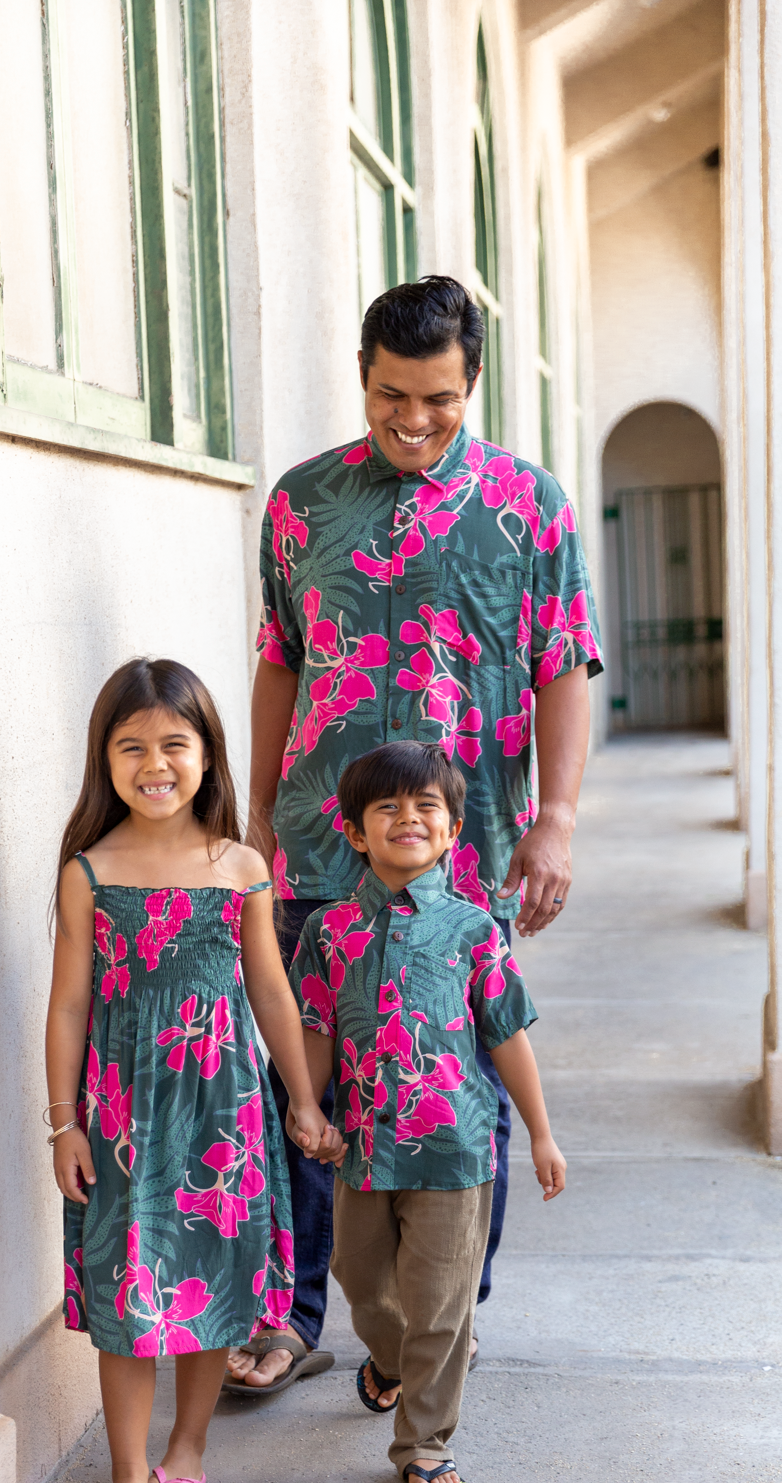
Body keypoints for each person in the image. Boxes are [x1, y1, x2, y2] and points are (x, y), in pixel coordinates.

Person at [227, 274, 599, 1397]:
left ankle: (438, 1324)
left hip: (464, 853)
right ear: (362, 376)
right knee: (306, 1075)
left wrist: (559, 819)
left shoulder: (530, 508)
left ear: (470, 381)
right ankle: (292, 1318)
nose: (413, 422)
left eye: (437, 400)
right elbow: (279, 661)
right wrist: (255, 813)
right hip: (318, 854)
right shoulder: (300, 504)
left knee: (455, 1084)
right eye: (392, 396)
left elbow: (563, 667)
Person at [45, 657, 342, 1483]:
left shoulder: (241, 866)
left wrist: (303, 1101)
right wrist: (63, 1121)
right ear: (105, 760)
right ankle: (129, 1473)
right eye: (130, 746)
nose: (154, 763)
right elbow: (67, 1004)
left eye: (175, 743)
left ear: (208, 755)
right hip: (123, 1116)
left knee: (211, 1284)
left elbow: (274, 995)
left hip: (224, 1109)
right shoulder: (89, 872)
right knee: (130, 1295)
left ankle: (189, 1446)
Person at [287, 742, 565, 1483]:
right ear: (354, 831)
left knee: (442, 1308)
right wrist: (305, 1108)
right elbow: (314, 1026)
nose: (407, 819)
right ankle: (389, 1360)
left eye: (426, 809)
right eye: (387, 808)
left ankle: (424, 1443)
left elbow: (508, 1034)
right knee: (363, 1282)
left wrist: (540, 1133)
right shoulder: (329, 933)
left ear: (450, 833)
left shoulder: (476, 931)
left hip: (456, 1150)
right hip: (363, 1148)